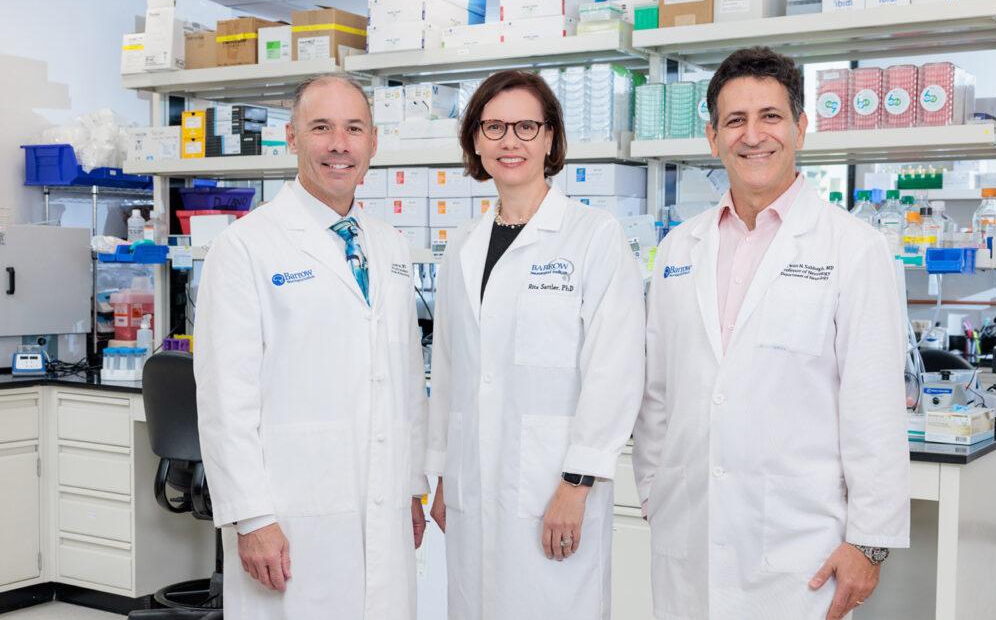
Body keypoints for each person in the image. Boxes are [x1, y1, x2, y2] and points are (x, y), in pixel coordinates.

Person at [631, 47, 910, 620]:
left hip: (798, 549)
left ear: (801, 128)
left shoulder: (852, 248)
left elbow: (873, 408)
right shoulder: (679, 249)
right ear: (712, 137)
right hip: (688, 534)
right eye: (735, 121)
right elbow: (658, 389)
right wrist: (654, 490)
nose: (752, 136)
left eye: (771, 117)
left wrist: (870, 541)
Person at [195, 74, 429, 620]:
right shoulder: (245, 248)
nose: (339, 144)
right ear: (293, 139)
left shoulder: (389, 245)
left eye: (353, 128)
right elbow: (226, 400)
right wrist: (251, 518)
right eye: (321, 127)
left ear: (373, 142)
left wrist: (412, 488)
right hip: (292, 511)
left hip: (385, 501)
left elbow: (404, 381)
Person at [425, 70, 645, 620]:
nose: (510, 141)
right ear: (475, 139)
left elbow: (613, 370)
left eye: (526, 126)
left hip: (554, 488)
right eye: (494, 127)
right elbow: (451, 372)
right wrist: (444, 476)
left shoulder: (594, 236)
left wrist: (575, 485)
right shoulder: (462, 250)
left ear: (551, 138)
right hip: (473, 485)